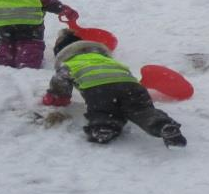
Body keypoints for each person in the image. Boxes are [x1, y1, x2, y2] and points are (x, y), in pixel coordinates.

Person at [41, 29, 187, 147]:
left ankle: (104, 128)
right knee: (142, 110)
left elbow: (60, 82)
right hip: (131, 86)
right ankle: (163, 125)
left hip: (99, 89)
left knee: (104, 111)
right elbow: (125, 73)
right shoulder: (107, 60)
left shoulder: (70, 63)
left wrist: (57, 97)